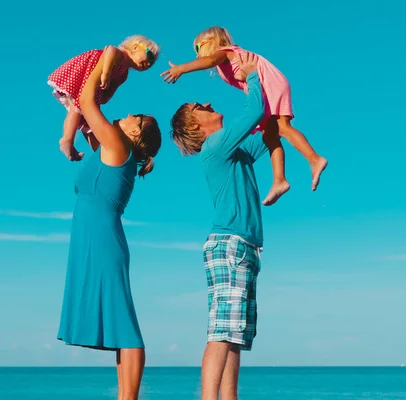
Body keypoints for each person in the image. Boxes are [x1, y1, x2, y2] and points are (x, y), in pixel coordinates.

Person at [57, 44, 161, 400]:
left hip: (101, 241)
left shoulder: (120, 146)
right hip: (92, 238)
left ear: (136, 135)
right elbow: (86, 119)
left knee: (126, 327)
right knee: (119, 326)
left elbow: (88, 104)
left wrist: (98, 69)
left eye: (136, 117)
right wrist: (73, 138)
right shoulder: (112, 146)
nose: (129, 113)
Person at [170, 51, 267, 400]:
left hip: (244, 246)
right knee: (222, 333)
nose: (208, 102)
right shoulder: (215, 145)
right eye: (200, 105)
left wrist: (269, 95)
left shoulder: (233, 151)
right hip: (230, 245)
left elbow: (268, 130)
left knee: (235, 335)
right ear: (196, 126)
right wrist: (253, 77)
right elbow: (255, 113)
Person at [161, 26, 327, 206]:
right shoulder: (226, 61)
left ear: (212, 43)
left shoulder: (223, 53)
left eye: (198, 48)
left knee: (282, 128)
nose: (197, 54)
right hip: (270, 85)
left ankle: (314, 159)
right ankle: (279, 180)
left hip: (270, 85)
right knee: (270, 135)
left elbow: (209, 61)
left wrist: (181, 69)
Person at [48, 35, 160, 161]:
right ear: (135, 47)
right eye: (150, 56)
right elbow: (110, 50)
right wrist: (106, 73)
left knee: (86, 120)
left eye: (152, 63)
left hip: (94, 85)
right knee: (77, 108)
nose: (149, 63)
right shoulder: (121, 56)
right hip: (87, 71)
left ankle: (100, 155)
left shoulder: (124, 74)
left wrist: (103, 95)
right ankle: (67, 139)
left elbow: (109, 93)